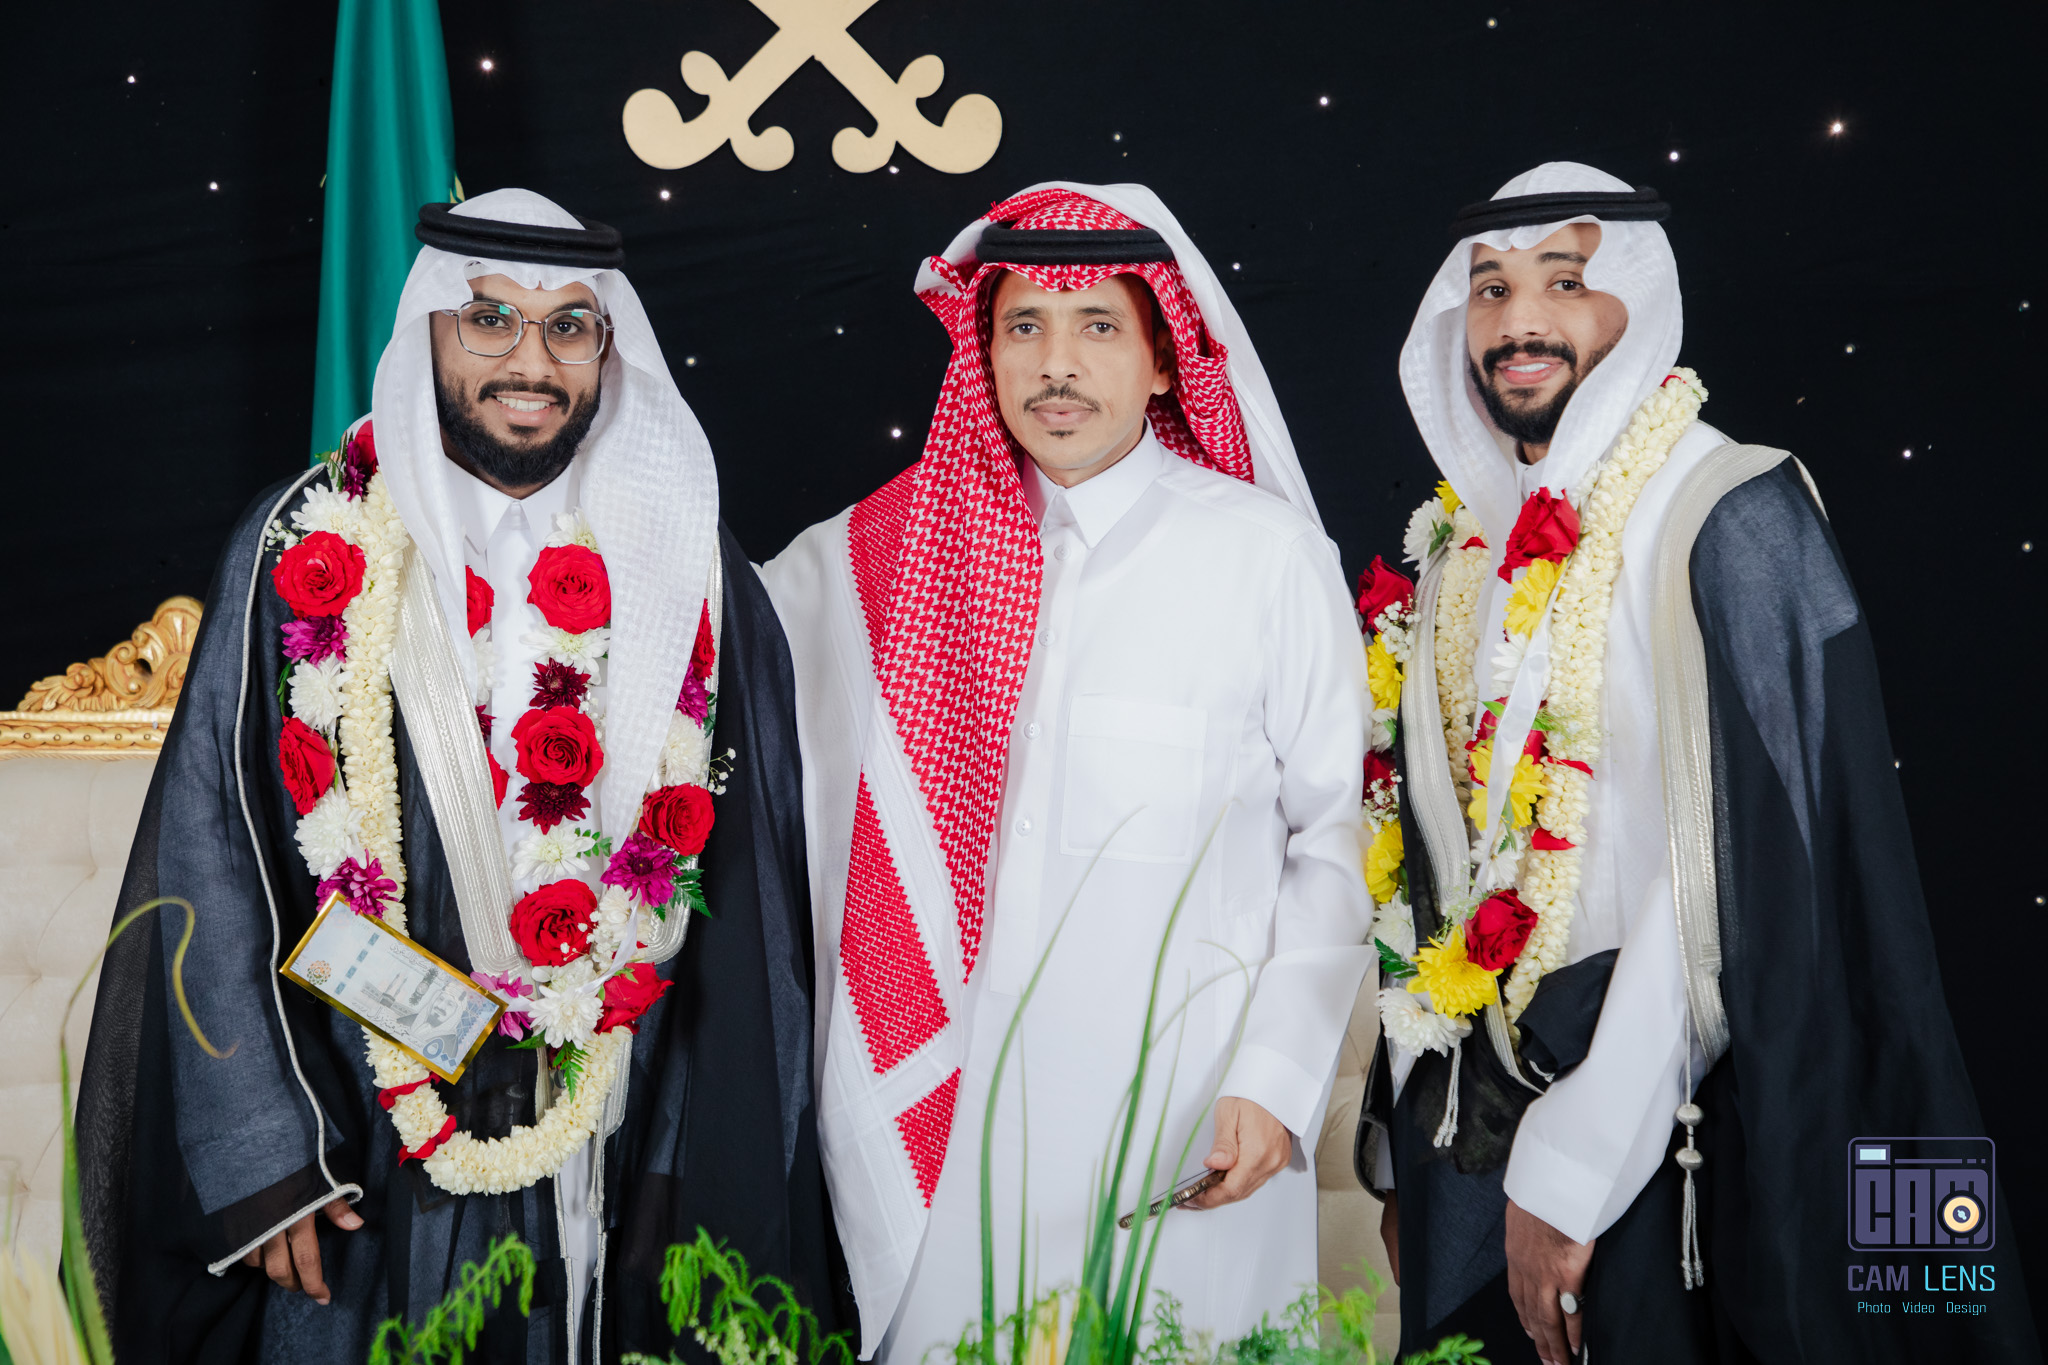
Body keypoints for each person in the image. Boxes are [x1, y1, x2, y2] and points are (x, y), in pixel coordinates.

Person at [75, 189, 845, 1363]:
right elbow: (211, 852)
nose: (529, 362)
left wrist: (692, 1156)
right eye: (489, 320)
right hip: (359, 1134)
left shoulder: (686, 566)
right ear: (429, 330)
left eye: (567, 326)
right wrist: (265, 1156)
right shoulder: (303, 547)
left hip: (611, 1131)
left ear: (607, 348)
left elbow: (745, 899)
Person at [1353, 162, 2041, 1364]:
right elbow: (1439, 870)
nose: (1519, 322)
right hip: (1495, 1113)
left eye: (1564, 282)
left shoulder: (1727, 512)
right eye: (1491, 288)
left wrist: (1571, 1174)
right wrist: (1429, 1157)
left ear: (1636, 300)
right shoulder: (1464, 552)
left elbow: (1730, 884)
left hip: (1690, 1123)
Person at [762, 184, 1372, 1360]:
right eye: (1022, 327)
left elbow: (1330, 840)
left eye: (1097, 325)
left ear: (1162, 359)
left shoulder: (1264, 558)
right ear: (981, 352)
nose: (1056, 365)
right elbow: (705, 646)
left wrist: (1274, 1078)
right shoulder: (879, 558)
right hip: (956, 1141)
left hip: (1192, 1132)